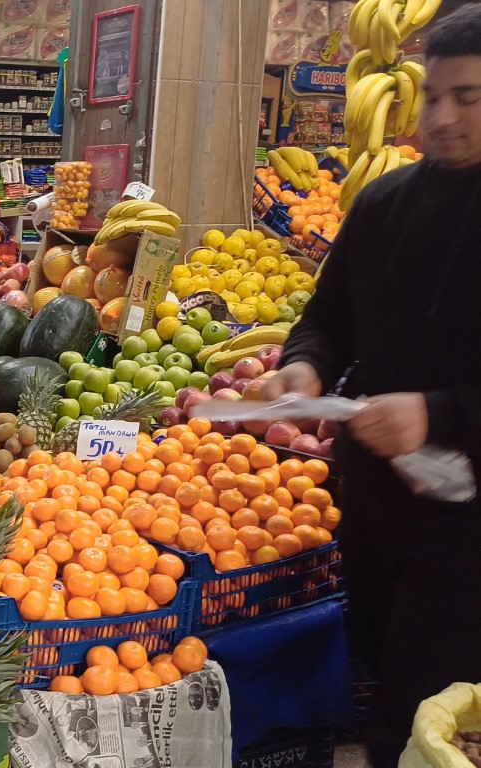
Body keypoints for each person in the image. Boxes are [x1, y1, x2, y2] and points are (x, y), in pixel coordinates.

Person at [262, 7, 481, 766]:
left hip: (468, 535)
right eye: (435, 96)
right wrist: (305, 366)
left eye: (470, 98)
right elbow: (328, 318)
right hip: (377, 509)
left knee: (428, 721)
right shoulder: (384, 204)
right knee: (385, 685)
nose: (443, 117)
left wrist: (438, 413)